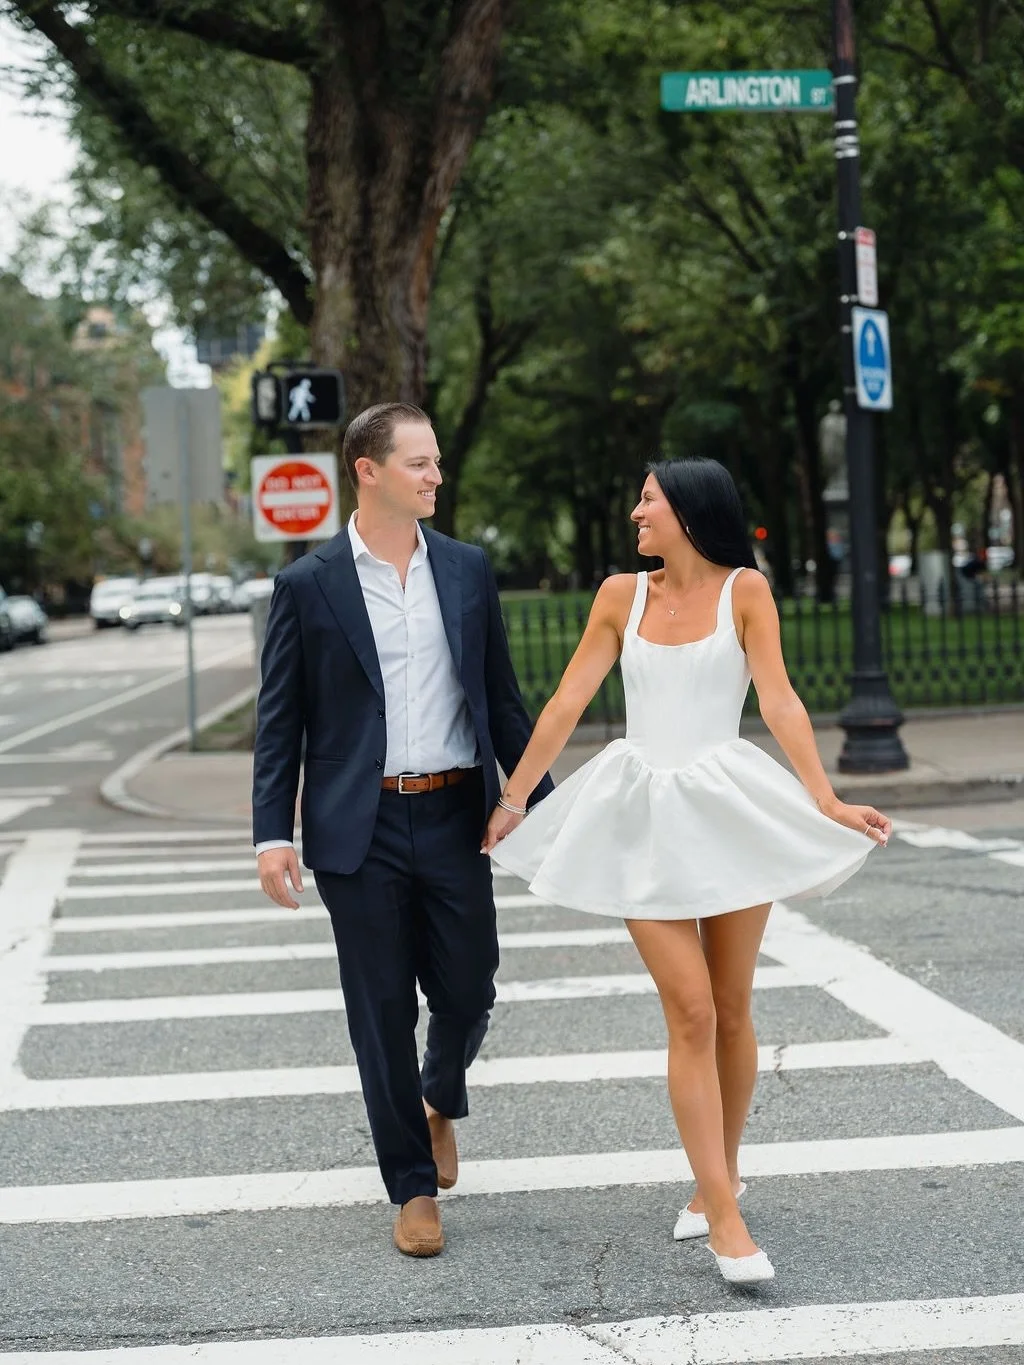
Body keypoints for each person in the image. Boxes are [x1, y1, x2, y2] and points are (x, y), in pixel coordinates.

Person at [482, 456, 891, 1286]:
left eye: (648, 500)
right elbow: (566, 700)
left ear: (690, 512)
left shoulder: (748, 591)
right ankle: (728, 1220)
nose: (636, 513)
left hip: (727, 806)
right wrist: (515, 797)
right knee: (693, 1008)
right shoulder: (616, 597)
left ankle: (718, 1178)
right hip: (641, 816)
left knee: (734, 1008)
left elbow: (778, 700)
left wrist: (826, 799)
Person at [252, 402, 551, 1259]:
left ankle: (439, 1094)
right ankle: (412, 1186)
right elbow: (282, 723)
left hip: (457, 811)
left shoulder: (466, 569)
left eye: (437, 462)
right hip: (361, 825)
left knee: (469, 989)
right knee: (380, 1010)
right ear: (368, 470)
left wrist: (536, 798)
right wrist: (272, 832)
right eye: (418, 463)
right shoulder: (309, 585)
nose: (435, 476)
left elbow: (501, 698)